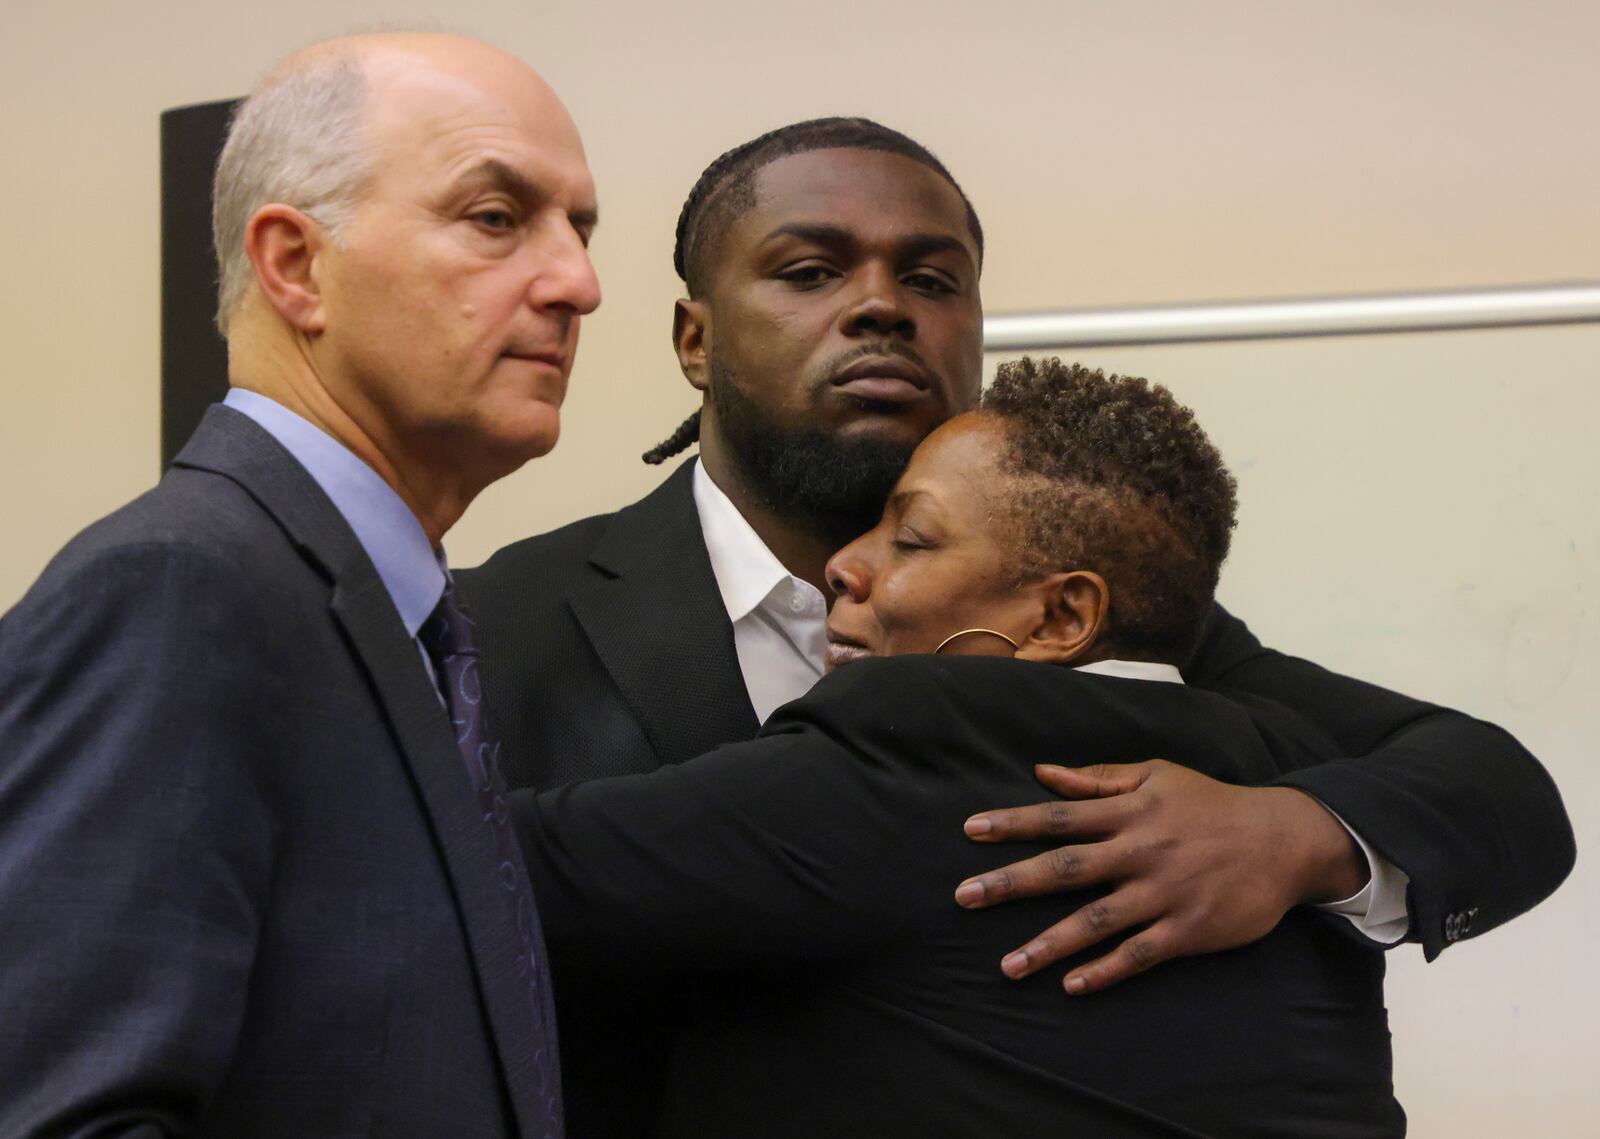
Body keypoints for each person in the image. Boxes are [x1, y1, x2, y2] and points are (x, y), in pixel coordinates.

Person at [458, 117, 1573, 1133]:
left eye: (934, 280)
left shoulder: (1115, 636)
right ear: (695, 341)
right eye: (811, 269)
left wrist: (1292, 837)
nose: (884, 304)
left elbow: (1492, 786)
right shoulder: (485, 621)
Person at [513, 358, 1408, 1137]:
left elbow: (496, 861)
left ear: (1062, 616)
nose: (844, 565)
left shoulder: (915, 752)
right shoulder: (1303, 764)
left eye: (911, 537)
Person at [0, 32, 599, 1138]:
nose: (578, 283)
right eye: (495, 217)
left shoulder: (400, 614)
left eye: (579, 227)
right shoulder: (177, 587)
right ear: (293, 265)